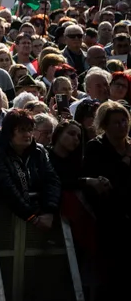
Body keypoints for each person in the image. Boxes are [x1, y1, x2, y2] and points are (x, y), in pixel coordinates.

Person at [82, 99, 131, 290]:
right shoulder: (96, 148)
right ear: (105, 125)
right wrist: (125, 162)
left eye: (124, 121)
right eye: (117, 122)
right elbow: (101, 180)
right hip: (111, 221)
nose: (122, 126)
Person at [0, 108, 61, 228]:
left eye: (30, 130)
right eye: (22, 130)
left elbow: (52, 180)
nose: (28, 135)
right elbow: (6, 187)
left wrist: (49, 211)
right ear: (9, 132)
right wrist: (31, 217)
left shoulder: (38, 151)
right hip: (4, 221)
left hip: (40, 217)